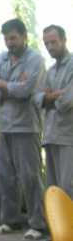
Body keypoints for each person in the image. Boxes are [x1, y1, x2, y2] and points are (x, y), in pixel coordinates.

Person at [0, 18, 46, 240]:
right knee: (6, 176)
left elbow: (28, 90)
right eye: (6, 39)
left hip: (26, 126)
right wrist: (12, 87)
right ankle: (10, 221)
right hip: (5, 125)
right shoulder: (0, 59)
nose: (9, 43)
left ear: (24, 36)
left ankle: (38, 224)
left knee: (30, 176)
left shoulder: (35, 60)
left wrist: (5, 86)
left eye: (13, 38)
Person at [37, 25, 73, 198]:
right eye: (46, 44)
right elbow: (37, 100)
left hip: (68, 137)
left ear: (64, 40)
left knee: (67, 189)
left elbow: (67, 102)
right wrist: (53, 96)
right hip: (50, 136)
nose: (50, 47)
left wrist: (49, 98)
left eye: (53, 42)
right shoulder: (50, 71)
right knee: (53, 192)